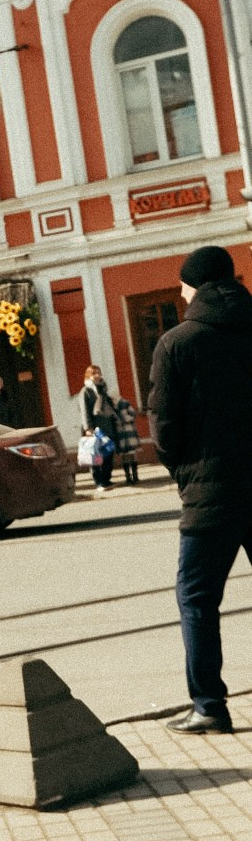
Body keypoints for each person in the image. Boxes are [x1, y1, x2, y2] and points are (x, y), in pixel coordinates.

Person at [148, 244, 252, 735]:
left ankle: (209, 705)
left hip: (212, 495)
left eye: (184, 283)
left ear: (196, 285)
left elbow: (164, 429)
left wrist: (186, 474)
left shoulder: (178, 342)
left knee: (196, 596)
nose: (181, 291)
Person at [80, 364, 119, 492]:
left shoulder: (103, 390)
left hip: (107, 427)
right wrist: (88, 428)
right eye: (94, 373)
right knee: (96, 456)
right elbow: (84, 410)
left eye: (99, 372)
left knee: (108, 454)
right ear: (88, 376)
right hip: (94, 429)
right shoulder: (86, 391)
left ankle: (107, 479)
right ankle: (99, 482)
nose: (97, 375)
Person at [114, 393, 140, 486]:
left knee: (132, 453)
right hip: (120, 433)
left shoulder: (125, 403)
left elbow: (133, 414)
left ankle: (135, 476)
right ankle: (128, 477)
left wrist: (125, 419)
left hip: (129, 431)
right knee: (124, 455)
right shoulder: (112, 406)